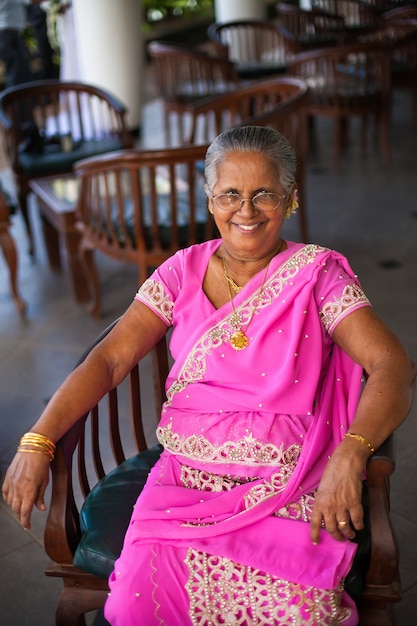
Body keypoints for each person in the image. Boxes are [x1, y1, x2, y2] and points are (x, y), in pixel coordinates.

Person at [2, 126, 416, 625]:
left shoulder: (317, 276)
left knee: (296, 611)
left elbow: (392, 365)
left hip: (287, 487)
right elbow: (108, 360)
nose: (246, 210)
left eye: (264, 193)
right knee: (138, 604)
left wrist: (352, 450)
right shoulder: (180, 272)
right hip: (184, 486)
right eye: (230, 194)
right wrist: (38, 439)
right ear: (209, 198)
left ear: (291, 198)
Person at [0, 0, 33, 89]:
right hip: (7, 35)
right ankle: (14, 101)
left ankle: (21, 100)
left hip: (8, 34)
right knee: (15, 73)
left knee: (19, 72)